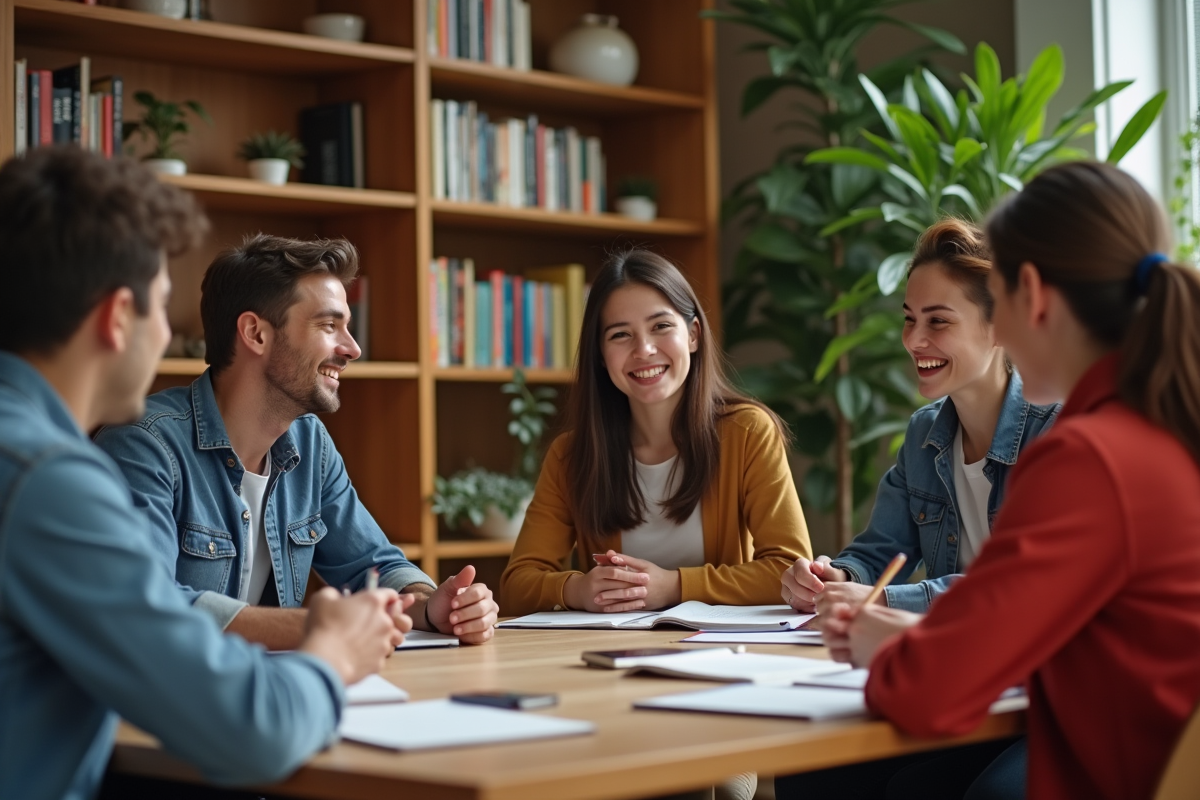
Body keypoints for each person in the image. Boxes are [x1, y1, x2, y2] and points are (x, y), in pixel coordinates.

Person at [0, 147, 409, 800]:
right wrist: (331, 652)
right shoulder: (49, 482)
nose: (168, 337)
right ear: (116, 318)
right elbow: (255, 729)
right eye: (161, 308)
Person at [823, 161, 1200, 800]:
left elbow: (927, 693)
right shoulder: (1161, 426)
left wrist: (889, 648)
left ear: (1031, 293)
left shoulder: (1088, 457)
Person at [95, 234, 498, 650]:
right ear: (255, 333)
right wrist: (313, 627)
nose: (353, 348)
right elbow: (146, 606)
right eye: (329, 325)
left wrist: (434, 608)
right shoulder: (144, 446)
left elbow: (372, 565)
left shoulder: (310, 444)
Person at [500, 248, 812, 616]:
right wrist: (577, 590)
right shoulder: (571, 455)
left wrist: (673, 586)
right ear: (600, 355)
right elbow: (516, 586)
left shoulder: (747, 433)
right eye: (620, 334)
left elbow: (789, 571)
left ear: (693, 335)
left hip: (716, 645)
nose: (644, 349)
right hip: (606, 646)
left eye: (661, 326)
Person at [780, 219, 1058, 616]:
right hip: (950, 646)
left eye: (938, 321)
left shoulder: (1055, 432)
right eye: (909, 318)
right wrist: (833, 579)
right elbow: (879, 553)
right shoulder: (924, 435)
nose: (913, 340)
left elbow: (1022, 579)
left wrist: (884, 600)